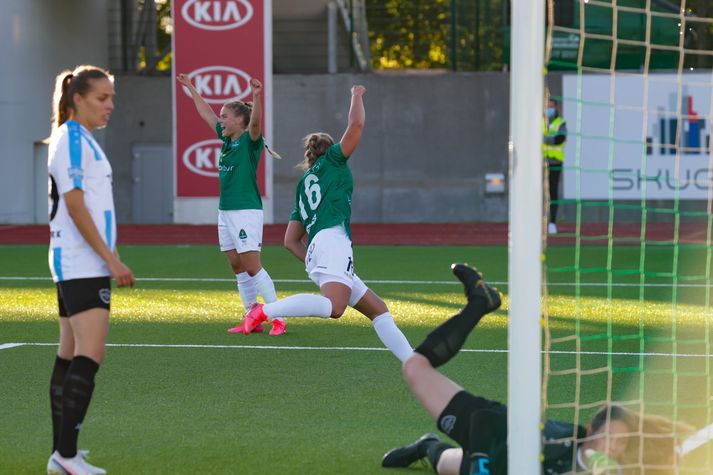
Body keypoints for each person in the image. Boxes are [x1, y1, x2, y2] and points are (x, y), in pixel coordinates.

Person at [381, 264, 694, 474]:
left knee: (445, 462)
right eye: (609, 436)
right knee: (414, 368)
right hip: (492, 441)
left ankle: (427, 445)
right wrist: (480, 464)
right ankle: (480, 302)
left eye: (620, 443)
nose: (611, 446)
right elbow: (484, 419)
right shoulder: (561, 442)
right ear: (592, 433)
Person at [235, 85, 413, 363]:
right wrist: (356, 94)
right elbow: (357, 124)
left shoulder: (304, 183)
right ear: (331, 151)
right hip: (332, 242)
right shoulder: (334, 161)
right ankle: (263, 311)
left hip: (319, 249)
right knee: (335, 307)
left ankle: (412, 362)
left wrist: (313, 260)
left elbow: (289, 241)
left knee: (378, 310)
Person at [46, 65, 135, 475]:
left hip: (79, 259)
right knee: (89, 354)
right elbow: (76, 205)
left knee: (69, 355)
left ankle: (62, 453)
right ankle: (65, 456)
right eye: (102, 98)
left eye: (112, 98)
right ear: (77, 98)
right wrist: (111, 258)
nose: (110, 106)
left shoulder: (79, 138)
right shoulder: (71, 140)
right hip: (82, 261)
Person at [176, 73, 285, 336]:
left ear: (240, 121)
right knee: (237, 265)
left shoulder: (249, 140)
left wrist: (257, 97)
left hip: (245, 211)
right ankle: (252, 316)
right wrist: (191, 87)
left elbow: (256, 122)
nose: (221, 119)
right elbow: (206, 114)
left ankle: (278, 317)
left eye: (225, 116)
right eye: (222, 116)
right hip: (225, 212)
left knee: (251, 265)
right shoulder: (227, 140)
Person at [543, 98, 567, 235]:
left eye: (551, 106)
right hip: (540, 163)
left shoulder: (561, 123)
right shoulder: (539, 121)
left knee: (553, 192)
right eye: (547, 106)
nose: (549, 109)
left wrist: (544, 138)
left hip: (555, 162)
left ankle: (552, 222)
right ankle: (537, 221)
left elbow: (560, 139)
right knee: (538, 193)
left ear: (556, 107)